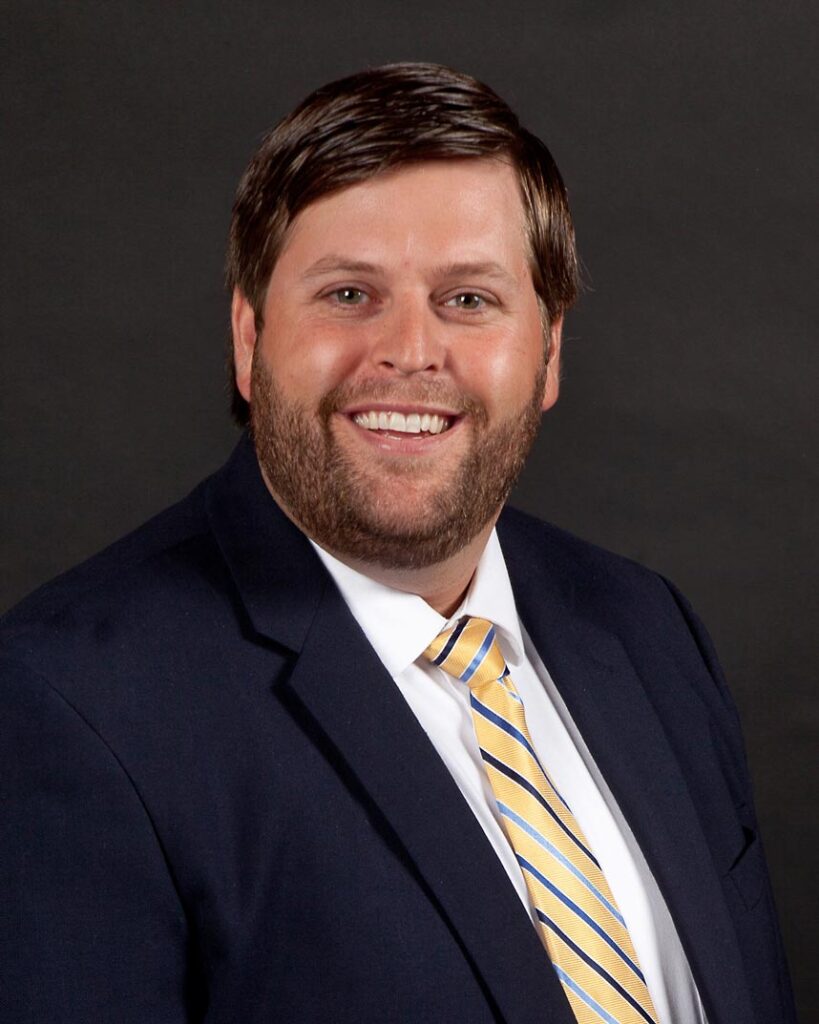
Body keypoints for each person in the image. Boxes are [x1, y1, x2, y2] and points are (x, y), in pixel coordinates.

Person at [0, 63, 796, 1024]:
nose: (410, 350)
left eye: (468, 299)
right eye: (346, 294)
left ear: (546, 353)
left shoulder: (648, 629)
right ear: (249, 339)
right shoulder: (69, 707)